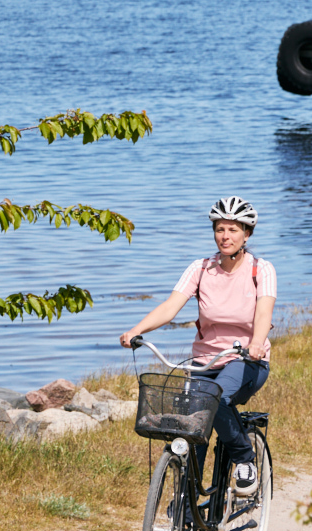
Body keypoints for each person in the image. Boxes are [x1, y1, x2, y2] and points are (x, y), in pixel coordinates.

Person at [118, 197, 275, 495]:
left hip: (245, 360)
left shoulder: (261, 270)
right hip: (203, 363)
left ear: (247, 234)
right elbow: (170, 307)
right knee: (191, 429)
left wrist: (256, 343)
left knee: (215, 401)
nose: (225, 236)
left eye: (233, 230)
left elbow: (264, 313)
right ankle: (187, 513)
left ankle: (244, 458)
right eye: (219, 229)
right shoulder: (200, 269)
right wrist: (135, 330)